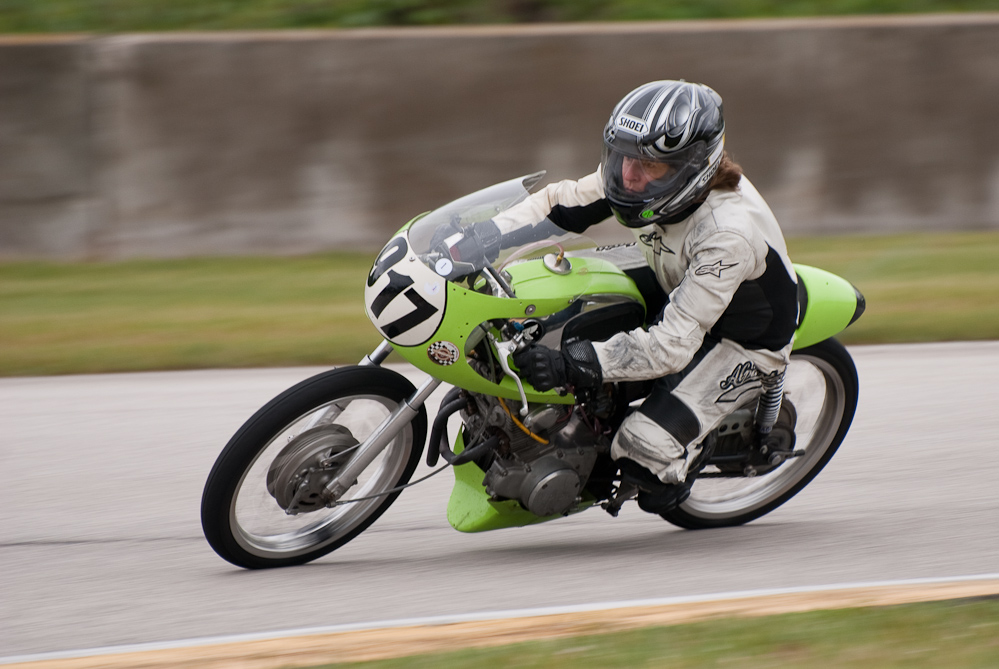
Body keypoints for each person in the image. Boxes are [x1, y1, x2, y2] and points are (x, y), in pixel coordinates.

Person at [440, 80, 799, 514]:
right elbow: (560, 204)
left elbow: (671, 346)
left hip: (740, 337)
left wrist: (573, 364)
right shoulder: (641, 179)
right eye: (625, 157)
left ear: (692, 168)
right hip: (675, 279)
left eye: (649, 166)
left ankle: (666, 464)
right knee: (538, 308)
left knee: (640, 449)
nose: (629, 175)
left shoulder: (727, 235)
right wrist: (481, 236)